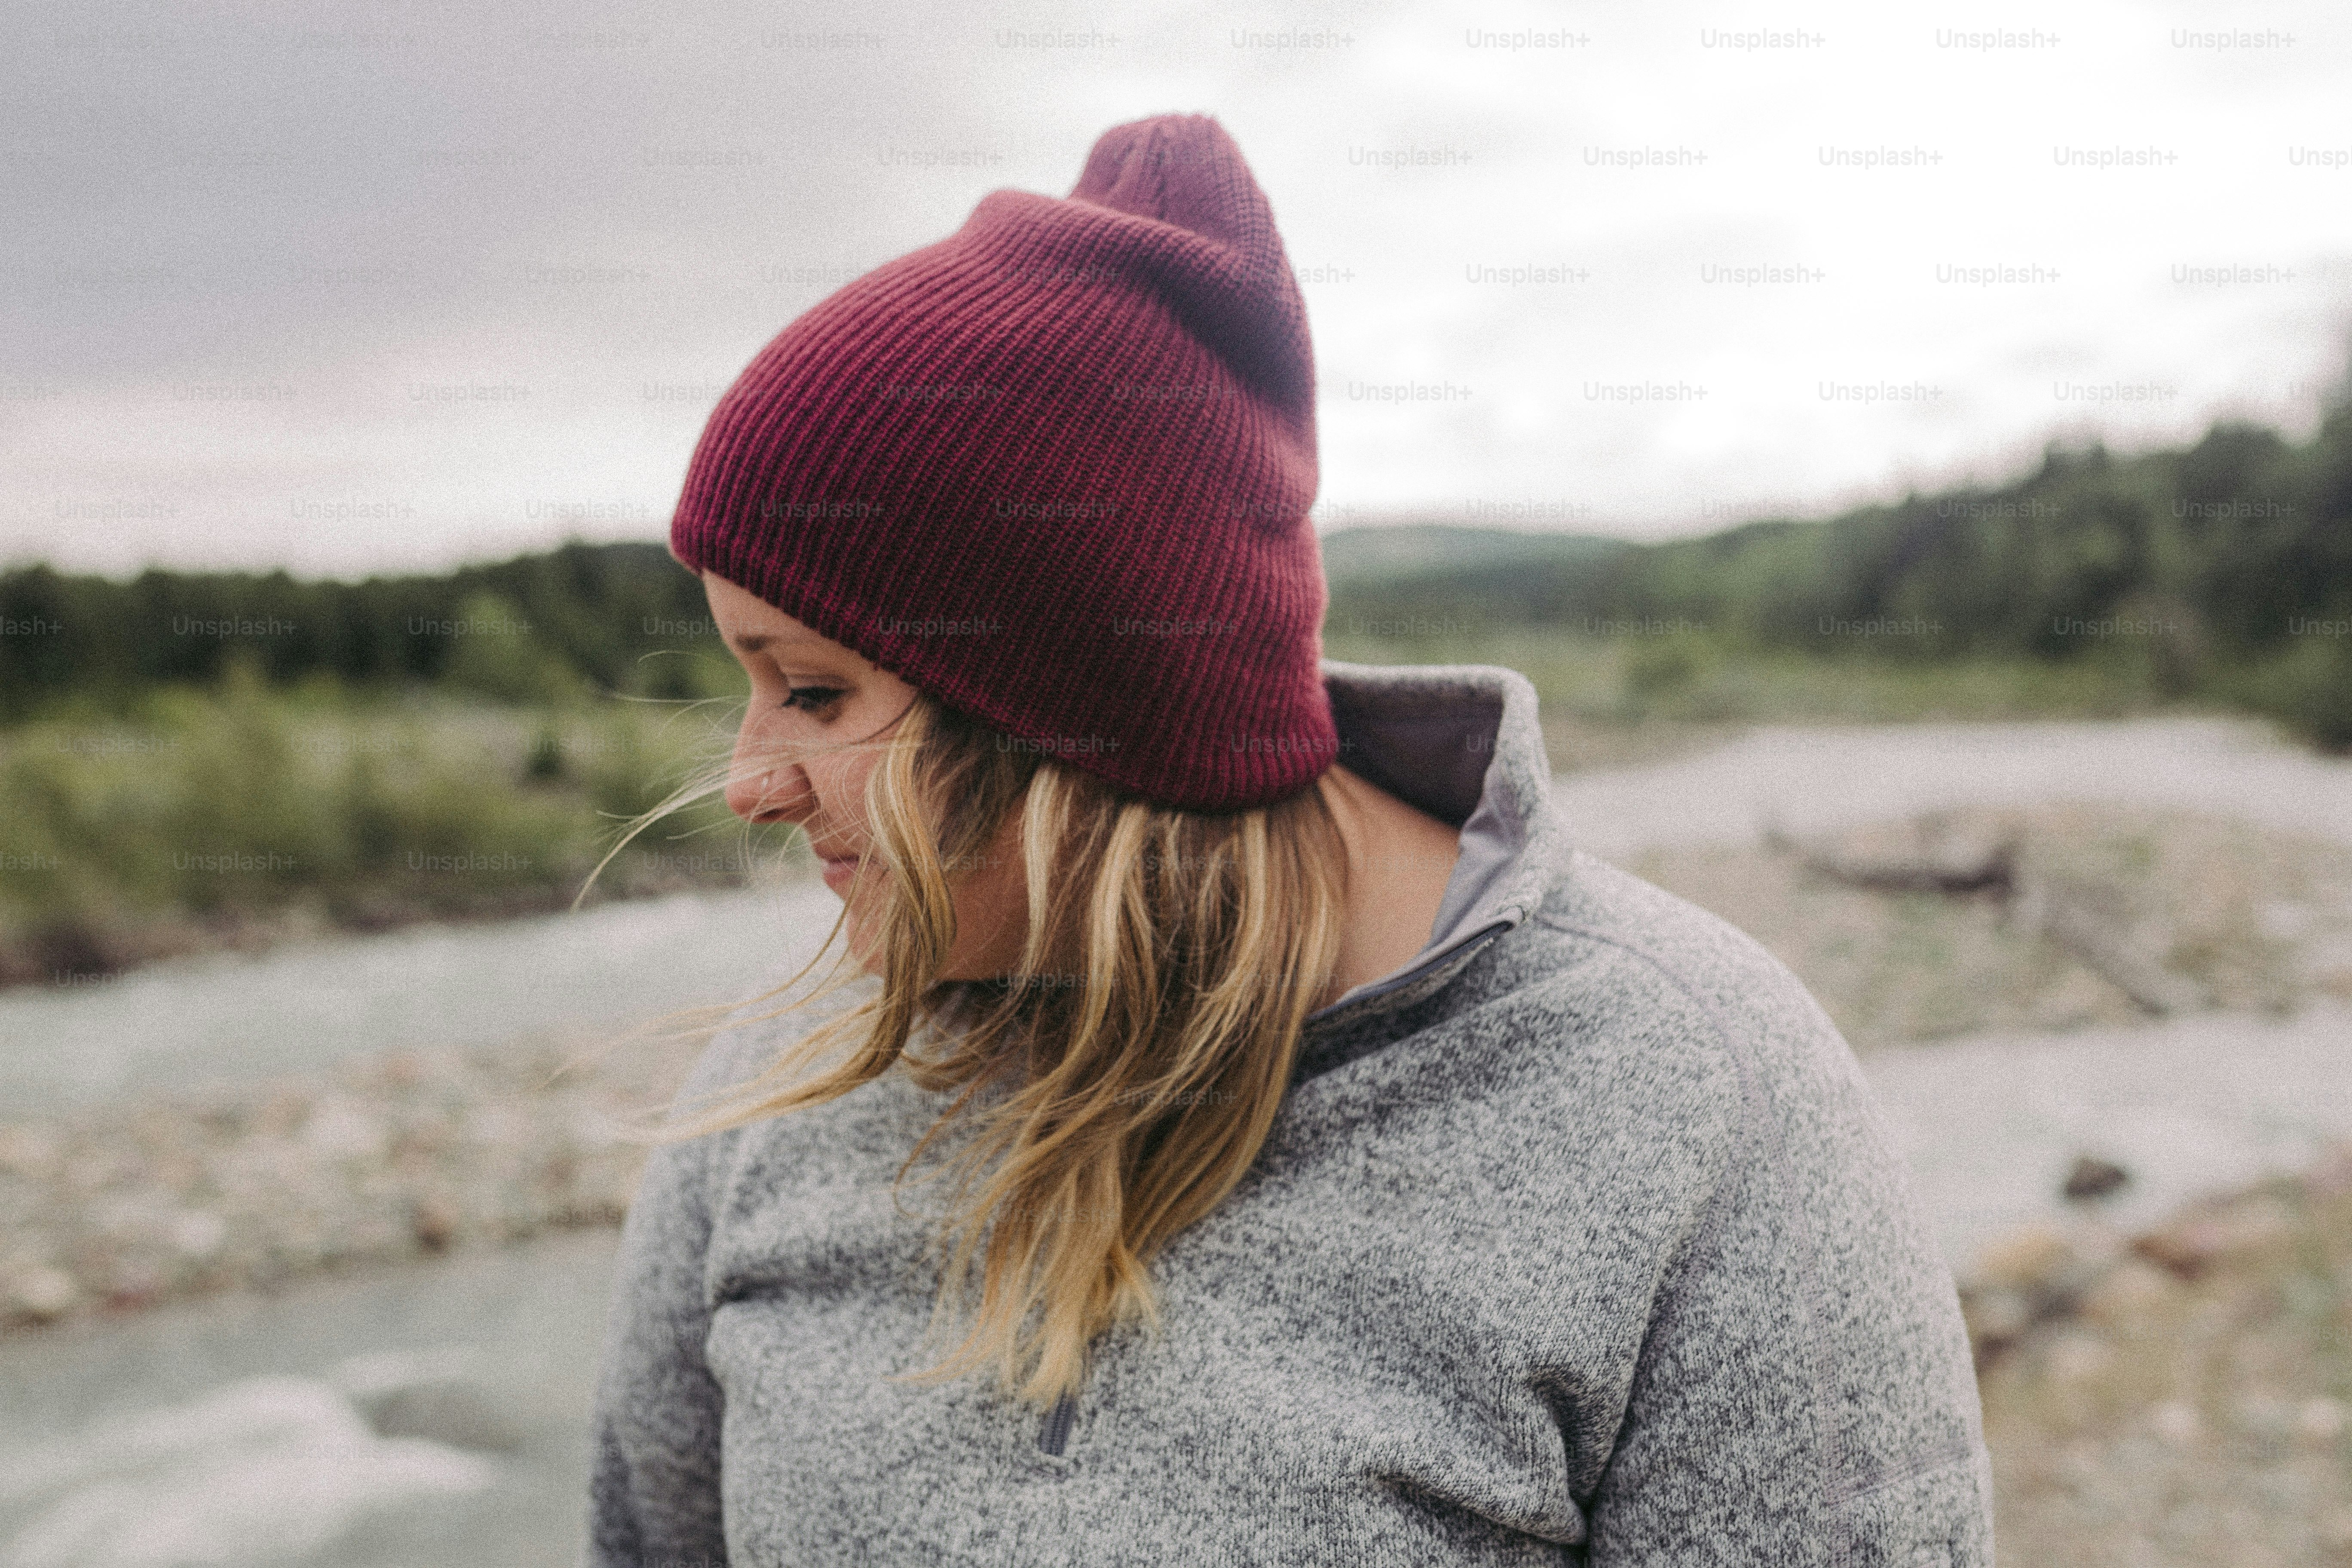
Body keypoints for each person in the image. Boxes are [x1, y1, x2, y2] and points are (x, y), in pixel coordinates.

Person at [582, 112, 1991, 1566]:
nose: (749, 784)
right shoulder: (769, 1107)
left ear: (1082, 700)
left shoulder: (1697, 1095)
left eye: (815, 692)